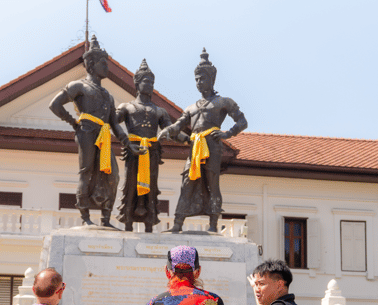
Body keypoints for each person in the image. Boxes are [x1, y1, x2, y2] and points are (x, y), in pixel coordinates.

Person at [49, 35, 141, 228]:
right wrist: (73, 122)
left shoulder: (107, 95)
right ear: (91, 65)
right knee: (87, 172)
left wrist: (127, 143)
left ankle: (106, 218)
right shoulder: (79, 86)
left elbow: (114, 124)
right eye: (102, 63)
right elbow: (54, 104)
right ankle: (85, 217)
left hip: (104, 135)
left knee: (112, 175)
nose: (106, 67)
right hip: (87, 131)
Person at [158, 49, 247, 233]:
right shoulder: (191, 108)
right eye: (197, 79)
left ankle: (213, 224)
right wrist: (167, 130)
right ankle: (178, 223)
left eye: (202, 78)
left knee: (212, 183)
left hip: (213, 145)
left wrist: (227, 134)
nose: (199, 82)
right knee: (186, 183)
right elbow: (178, 126)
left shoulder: (222, 102)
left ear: (211, 79)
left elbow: (242, 121)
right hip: (195, 147)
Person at [116, 59, 177, 232]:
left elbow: (171, 130)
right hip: (133, 150)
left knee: (151, 187)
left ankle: (149, 223)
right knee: (130, 186)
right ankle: (128, 223)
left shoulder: (159, 111)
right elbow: (112, 122)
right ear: (137, 83)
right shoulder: (127, 107)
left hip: (151, 152)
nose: (149, 85)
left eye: (151, 82)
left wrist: (188, 139)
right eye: (146, 81)